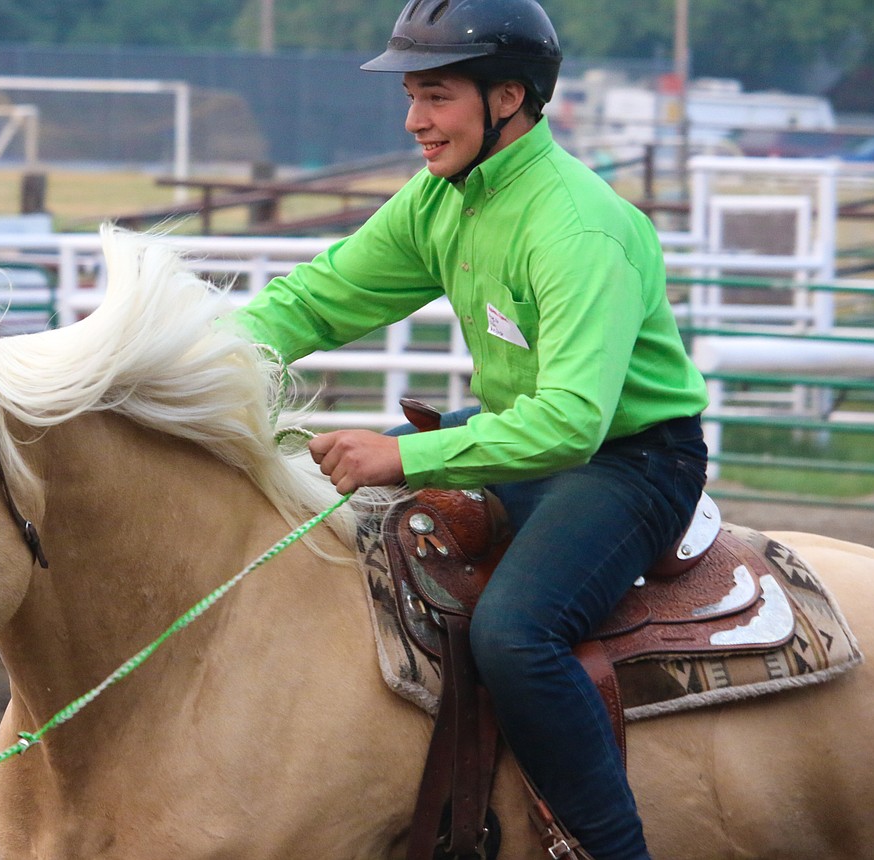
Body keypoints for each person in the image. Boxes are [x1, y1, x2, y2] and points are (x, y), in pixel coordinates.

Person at [229, 0, 709, 857]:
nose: (414, 120)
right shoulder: (438, 200)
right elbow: (316, 299)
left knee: (516, 634)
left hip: (631, 465)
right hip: (517, 437)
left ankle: (608, 848)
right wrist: (179, 357)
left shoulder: (578, 226)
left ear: (509, 98)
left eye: (437, 95)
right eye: (411, 95)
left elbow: (570, 422)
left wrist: (403, 453)